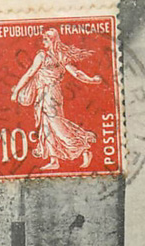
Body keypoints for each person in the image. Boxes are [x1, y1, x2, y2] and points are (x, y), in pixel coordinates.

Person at [10, 28, 102, 171]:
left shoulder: (45, 56)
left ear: (52, 40)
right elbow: (76, 73)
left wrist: (16, 91)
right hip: (45, 93)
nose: (43, 42)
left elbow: (30, 74)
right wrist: (91, 80)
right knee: (46, 125)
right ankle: (54, 160)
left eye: (46, 39)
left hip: (50, 93)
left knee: (56, 124)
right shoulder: (58, 55)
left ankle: (83, 148)